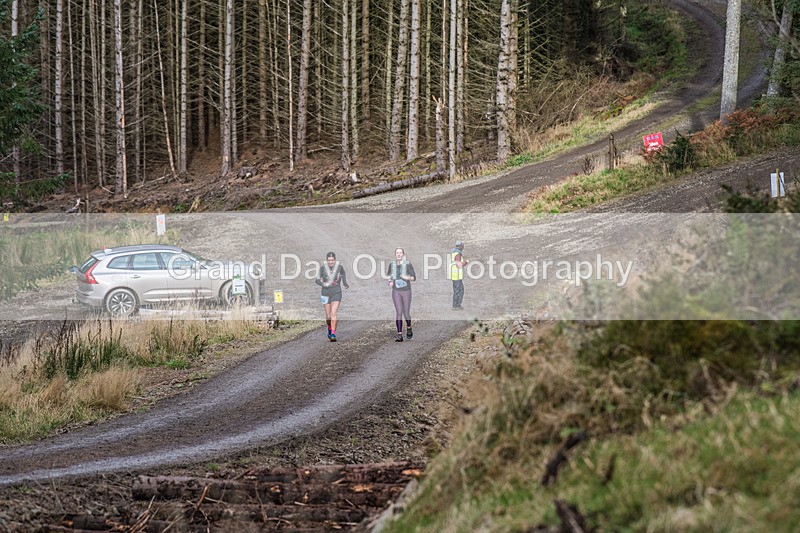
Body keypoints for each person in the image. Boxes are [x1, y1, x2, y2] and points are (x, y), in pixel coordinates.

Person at [316, 252, 349, 341]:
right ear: (327, 260)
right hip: (325, 293)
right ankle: (329, 329)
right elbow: (317, 280)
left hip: (336, 292)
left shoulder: (339, 268)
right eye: (329, 260)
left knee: (333, 313)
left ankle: (333, 334)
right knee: (328, 316)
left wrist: (345, 283)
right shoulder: (322, 269)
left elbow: (343, 274)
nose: (331, 262)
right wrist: (324, 284)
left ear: (335, 260)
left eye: (332, 260)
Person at [387, 247, 416, 342]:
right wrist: (390, 281)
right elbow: (389, 275)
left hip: (406, 290)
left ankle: (409, 327)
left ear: (403, 254)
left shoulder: (407, 265)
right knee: (399, 312)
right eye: (397, 253)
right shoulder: (392, 264)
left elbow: (414, 277)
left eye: (400, 253)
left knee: (406, 312)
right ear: (395, 255)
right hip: (396, 291)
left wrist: (407, 277)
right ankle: (399, 335)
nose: (398, 254)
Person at [447, 240, 468, 310]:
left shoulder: (454, 252)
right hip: (457, 276)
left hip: (455, 275)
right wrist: (465, 262)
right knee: (459, 291)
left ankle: (456, 305)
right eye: (462, 245)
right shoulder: (457, 254)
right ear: (460, 246)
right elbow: (459, 265)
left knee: (459, 290)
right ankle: (456, 306)